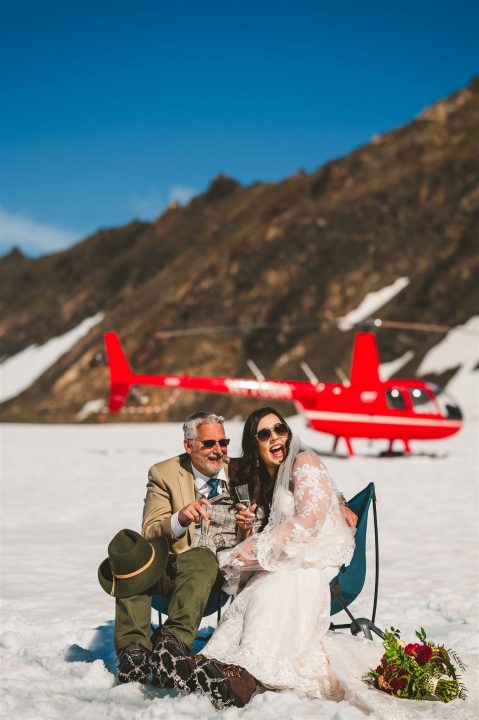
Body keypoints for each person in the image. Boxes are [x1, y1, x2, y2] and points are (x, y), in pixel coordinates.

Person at [99, 409, 357, 691]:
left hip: (223, 570)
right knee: (130, 560)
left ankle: (172, 648)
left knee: (202, 559)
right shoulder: (164, 474)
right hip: (175, 566)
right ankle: (133, 652)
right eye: (209, 444)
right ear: (189, 446)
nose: (218, 451)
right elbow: (149, 532)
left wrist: (339, 500)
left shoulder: (240, 471)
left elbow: (302, 479)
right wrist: (181, 518)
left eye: (223, 443)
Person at [158, 406, 377, 710]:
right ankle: (215, 664)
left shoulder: (303, 461)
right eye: (265, 433)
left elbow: (310, 518)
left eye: (280, 429)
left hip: (318, 554)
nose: (276, 437)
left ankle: (245, 675)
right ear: (254, 444)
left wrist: (261, 544)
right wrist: (250, 528)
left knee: (273, 587)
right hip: (292, 554)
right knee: (256, 588)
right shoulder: (264, 478)